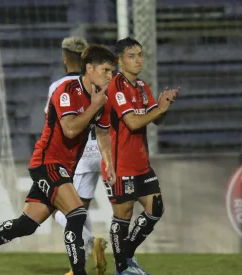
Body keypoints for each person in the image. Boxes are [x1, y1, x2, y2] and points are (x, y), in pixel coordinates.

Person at [0, 45, 117, 275]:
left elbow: (102, 133)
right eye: (106, 70)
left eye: (112, 72)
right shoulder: (66, 90)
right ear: (89, 68)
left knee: (26, 225)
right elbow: (70, 129)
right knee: (76, 213)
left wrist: (108, 163)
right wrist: (94, 106)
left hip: (65, 167)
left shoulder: (102, 99)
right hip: (47, 162)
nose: (110, 76)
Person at [101, 37, 178, 275]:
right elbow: (133, 123)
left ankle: (125, 258)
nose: (138, 60)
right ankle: (122, 268)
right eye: (132, 56)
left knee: (156, 208)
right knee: (123, 215)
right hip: (120, 165)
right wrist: (159, 110)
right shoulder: (116, 86)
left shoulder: (143, 87)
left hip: (142, 164)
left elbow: (155, 118)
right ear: (120, 61)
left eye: (140, 55)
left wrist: (164, 106)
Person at [45, 36, 108, 275]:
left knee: (58, 210)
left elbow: (55, 125)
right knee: (80, 211)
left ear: (64, 58)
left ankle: (91, 246)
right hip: (99, 152)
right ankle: (84, 263)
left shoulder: (58, 87)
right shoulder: (95, 83)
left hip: (77, 155)